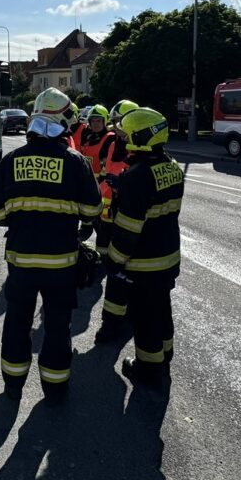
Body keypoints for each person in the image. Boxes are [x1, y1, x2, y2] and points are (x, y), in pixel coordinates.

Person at [0, 88, 102, 403]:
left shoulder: (10, 161)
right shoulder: (76, 162)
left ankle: (13, 385)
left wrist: (21, 215)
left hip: (21, 262)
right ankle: (54, 389)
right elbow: (93, 211)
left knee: (17, 322)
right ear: (63, 122)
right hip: (61, 263)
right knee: (56, 326)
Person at [104, 107, 184, 385]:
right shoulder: (173, 167)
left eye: (126, 135)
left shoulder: (135, 176)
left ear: (141, 137)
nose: (122, 140)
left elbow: (127, 230)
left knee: (145, 318)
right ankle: (165, 356)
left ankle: (149, 370)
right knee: (162, 310)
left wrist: (113, 261)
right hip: (169, 257)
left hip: (144, 263)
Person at [93, 99, 138, 343]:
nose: (116, 128)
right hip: (109, 207)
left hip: (127, 219)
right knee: (115, 274)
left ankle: (118, 325)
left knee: (122, 277)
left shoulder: (140, 149)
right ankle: (113, 326)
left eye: (119, 124)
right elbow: (106, 169)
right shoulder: (115, 143)